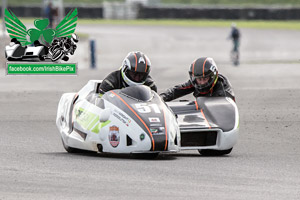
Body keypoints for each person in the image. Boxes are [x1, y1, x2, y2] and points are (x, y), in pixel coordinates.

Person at [160, 57, 235, 102]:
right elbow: (176, 90)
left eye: (205, 78)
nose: (202, 83)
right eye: (199, 79)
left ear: (212, 77)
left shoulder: (222, 87)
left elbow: (227, 111)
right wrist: (161, 98)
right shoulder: (195, 83)